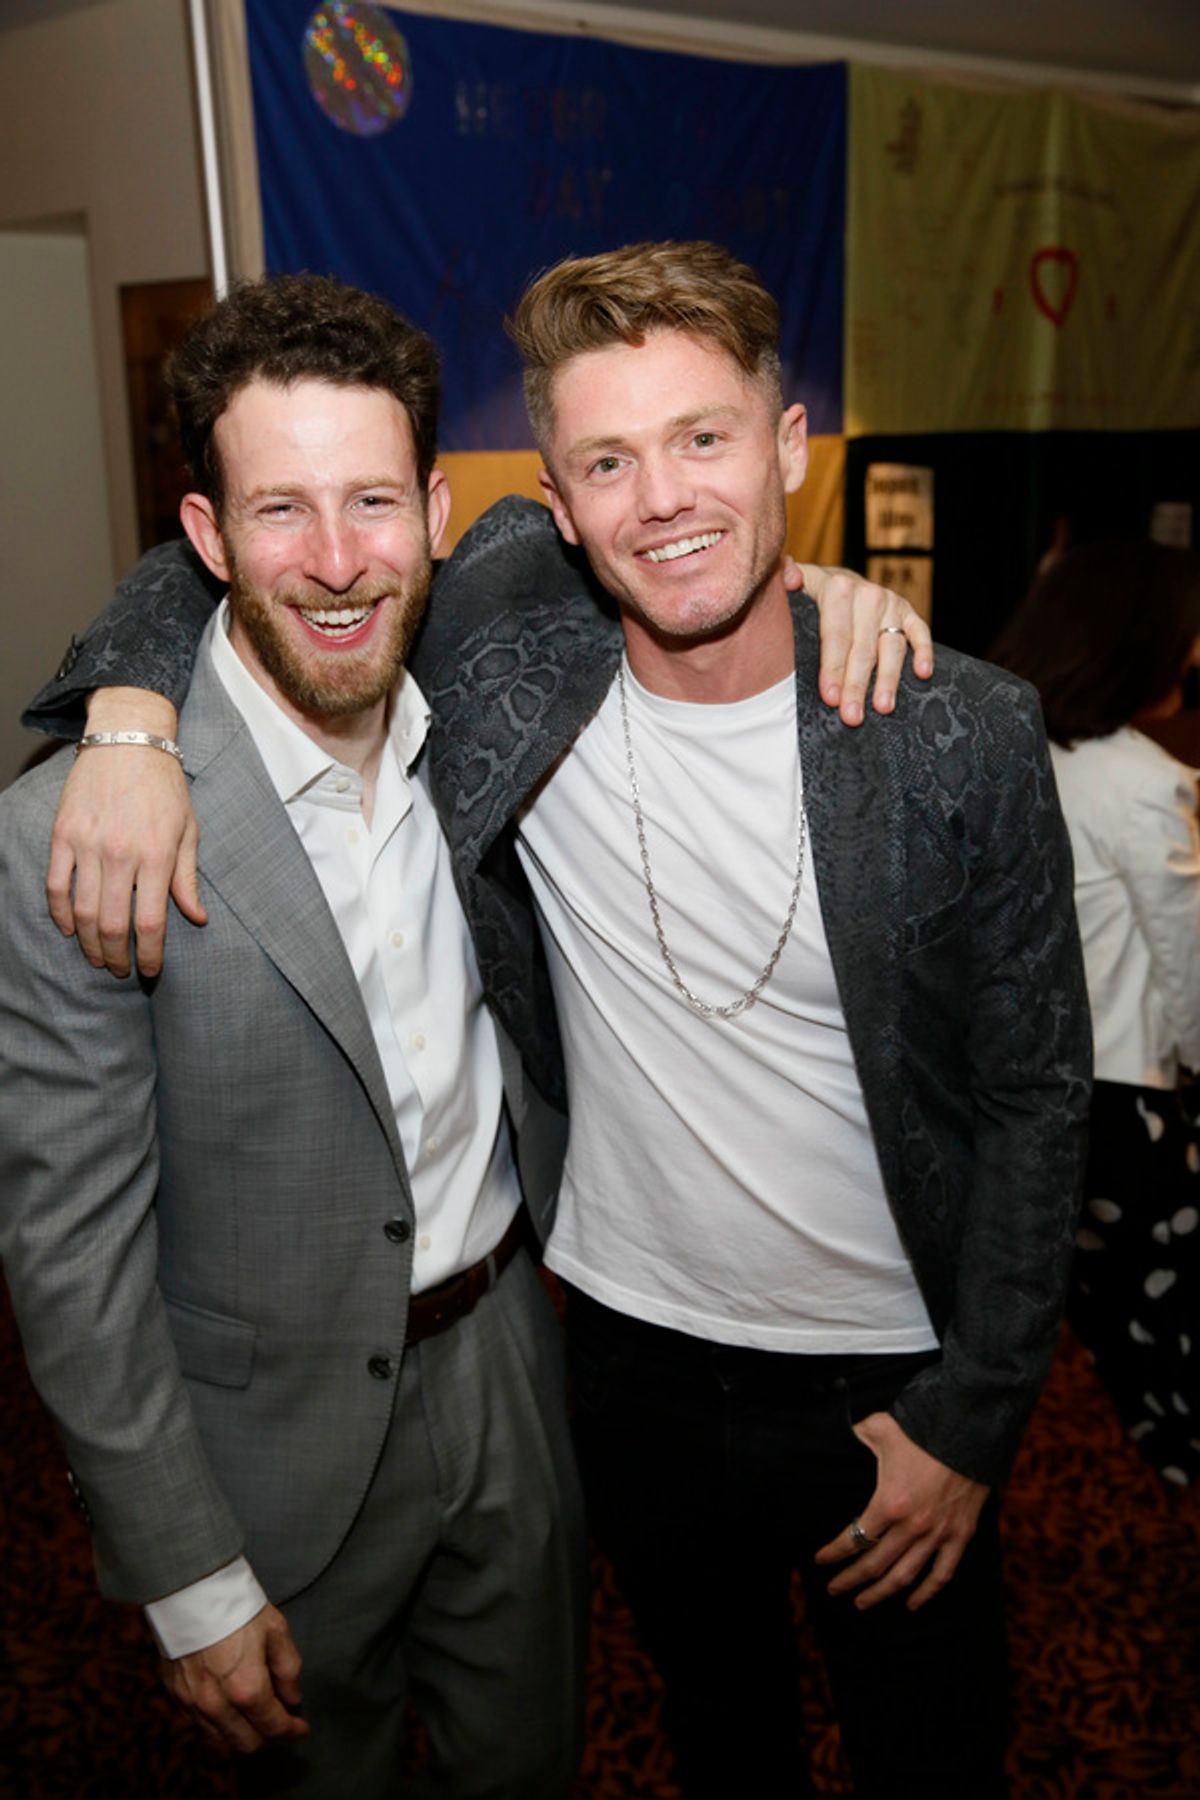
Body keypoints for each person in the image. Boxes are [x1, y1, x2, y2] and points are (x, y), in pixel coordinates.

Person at [16, 242, 1080, 1799]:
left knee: (935, 1755)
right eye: (606, 461)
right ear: (553, 507)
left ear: (789, 449)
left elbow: (1041, 1094)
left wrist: (974, 1421)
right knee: (719, 1740)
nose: (661, 499)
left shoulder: (953, 726)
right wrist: (124, 707)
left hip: (886, 1377)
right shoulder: (515, 651)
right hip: (625, 1369)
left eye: (704, 439)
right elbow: (273, 544)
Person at [0, 274, 592, 1800]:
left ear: (438, 508)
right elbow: (71, 1246)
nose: (337, 563)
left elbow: (689, 557)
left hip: (513, 1375)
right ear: (203, 539)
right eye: (280, 512)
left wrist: (839, 601)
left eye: (374, 501)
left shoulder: (492, 691)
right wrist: (183, 1568)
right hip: (267, 1444)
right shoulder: (73, 834)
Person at [992, 539, 1200, 1489]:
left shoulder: (1003, 746)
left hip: (1029, 1090)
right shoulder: (1145, 781)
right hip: (1132, 1107)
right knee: (1164, 1341)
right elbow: (1191, 978)